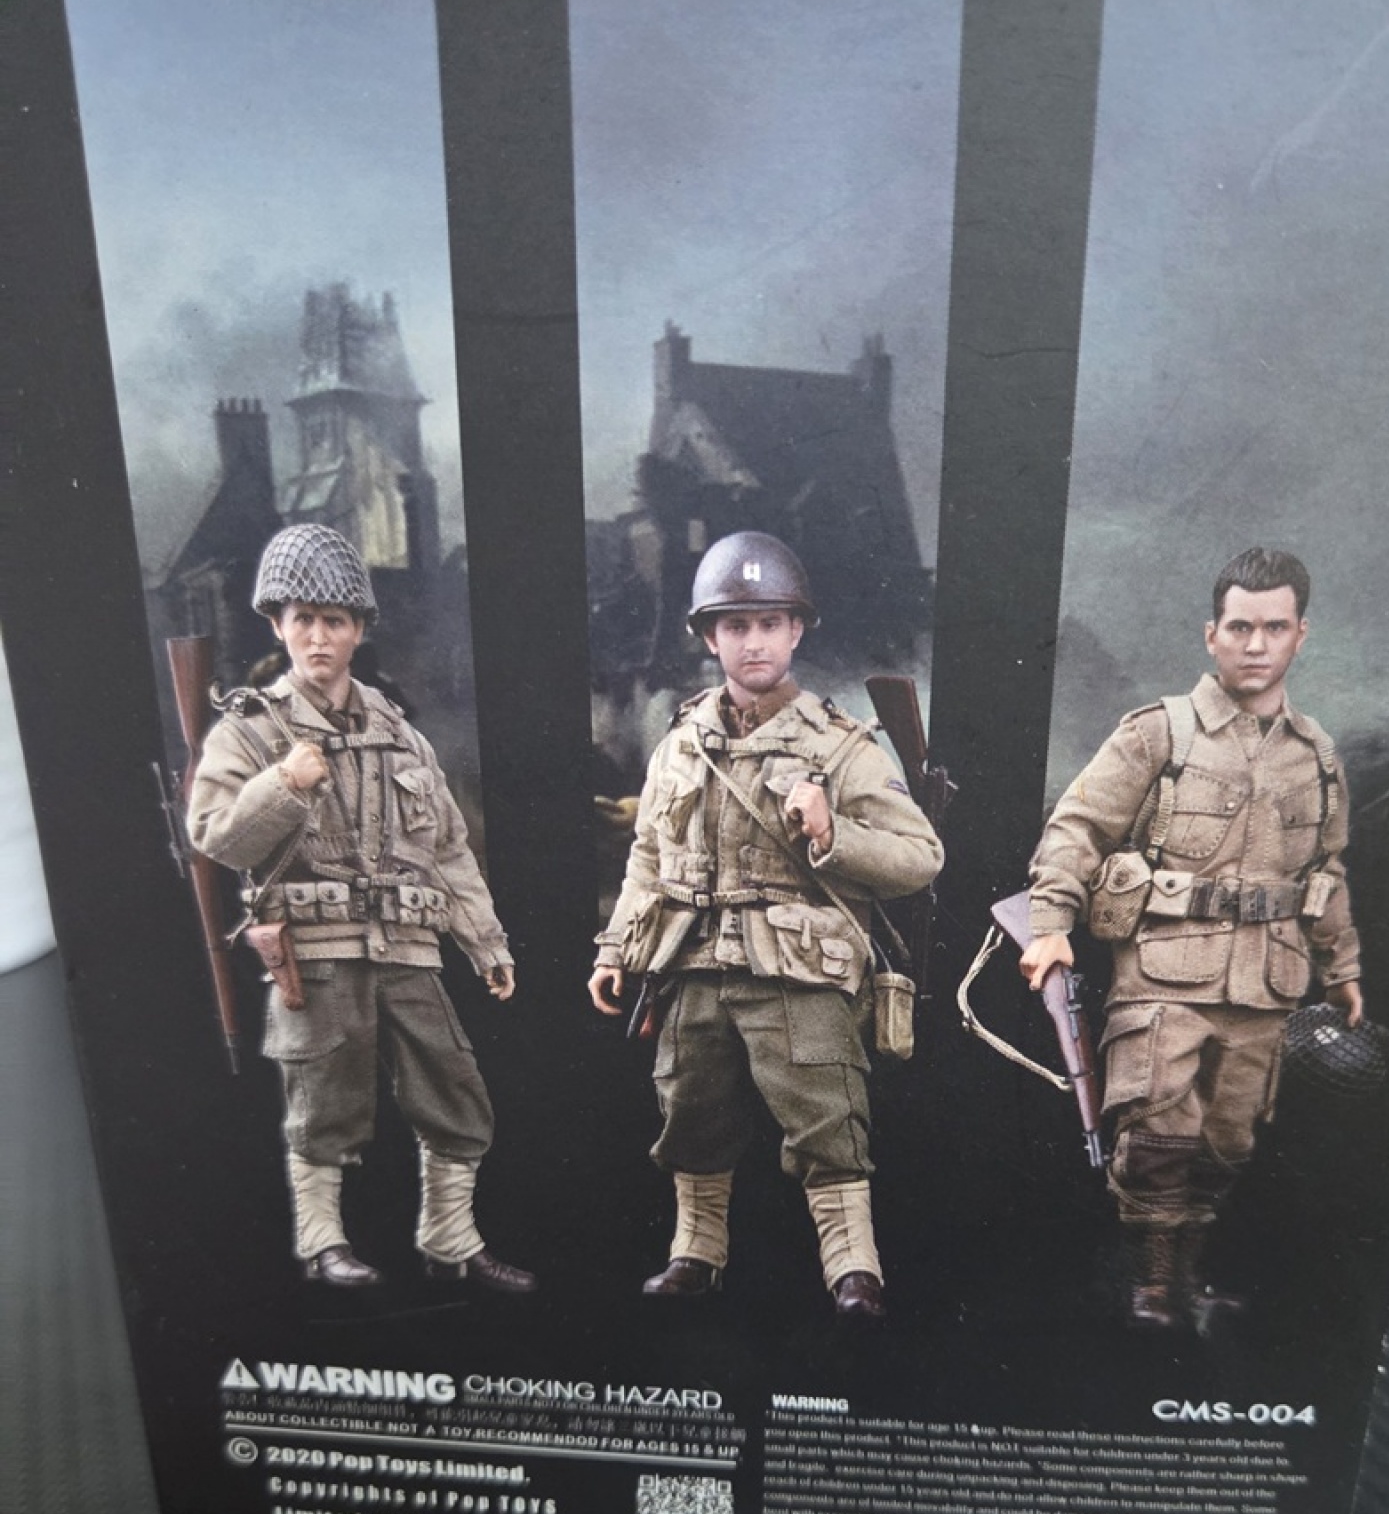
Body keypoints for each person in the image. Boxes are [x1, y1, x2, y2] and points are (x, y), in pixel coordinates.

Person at [588, 531, 942, 1320]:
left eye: (771, 623)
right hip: (694, 961)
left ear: (797, 630)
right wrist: (616, 948)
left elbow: (920, 855)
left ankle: (853, 1266)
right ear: (709, 637)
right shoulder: (681, 742)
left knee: (826, 1116)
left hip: (797, 966)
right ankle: (695, 1251)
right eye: (736, 625)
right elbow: (649, 854)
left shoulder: (839, 744)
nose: (754, 642)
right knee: (690, 1110)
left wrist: (832, 832)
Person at [1020, 547, 1362, 1329]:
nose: (1255, 644)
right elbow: (1077, 826)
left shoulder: (1317, 757)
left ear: (1300, 634)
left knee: (1227, 1142)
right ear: (1212, 634)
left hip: (1266, 983)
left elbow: (1326, 870)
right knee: (1157, 1135)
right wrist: (1051, 926)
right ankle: (1150, 1288)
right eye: (1239, 627)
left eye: (1274, 627)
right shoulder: (1160, 733)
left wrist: (1341, 965)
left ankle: (1187, 1282)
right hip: (1164, 974)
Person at [188, 523, 534, 1293]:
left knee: (455, 1089)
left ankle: (450, 1237)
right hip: (316, 952)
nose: (319, 637)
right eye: (303, 619)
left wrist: (486, 944)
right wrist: (284, 783)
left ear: (359, 630)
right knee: (323, 1101)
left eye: (335, 620)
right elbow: (215, 836)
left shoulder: (401, 735)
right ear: (277, 625)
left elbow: (448, 848)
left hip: (408, 947)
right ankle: (324, 1243)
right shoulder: (251, 729)